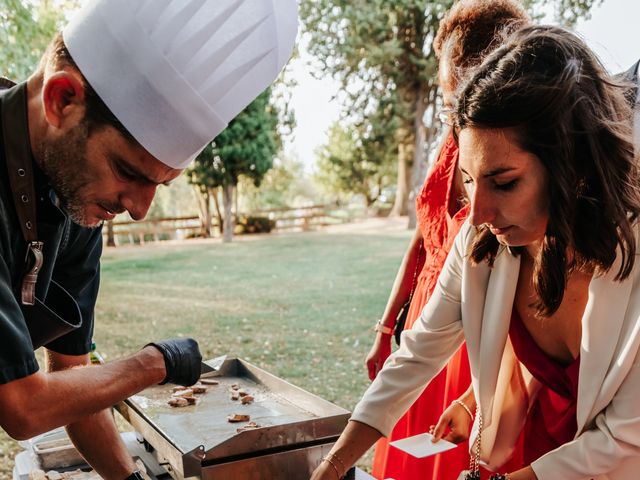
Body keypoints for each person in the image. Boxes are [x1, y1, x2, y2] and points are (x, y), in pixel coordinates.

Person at [312, 24, 640, 480]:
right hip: (537, 451)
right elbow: (415, 355)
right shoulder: (485, 243)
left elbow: (626, 441)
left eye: (504, 182)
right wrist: (333, 465)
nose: (478, 213)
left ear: (575, 166)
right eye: (469, 179)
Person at [0, 0, 297, 478]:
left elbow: (73, 381)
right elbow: (21, 407)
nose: (139, 209)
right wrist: (151, 365)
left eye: (160, 185)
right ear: (62, 100)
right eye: (127, 171)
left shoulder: (77, 198)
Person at [365, 1, 529, 479]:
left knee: (457, 456)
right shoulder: (448, 147)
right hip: (425, 317)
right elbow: (422, 240)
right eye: (444, 97)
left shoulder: (511, 155)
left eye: (454, 93)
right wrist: (385, 328)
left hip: (474, 333)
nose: (450, 111)